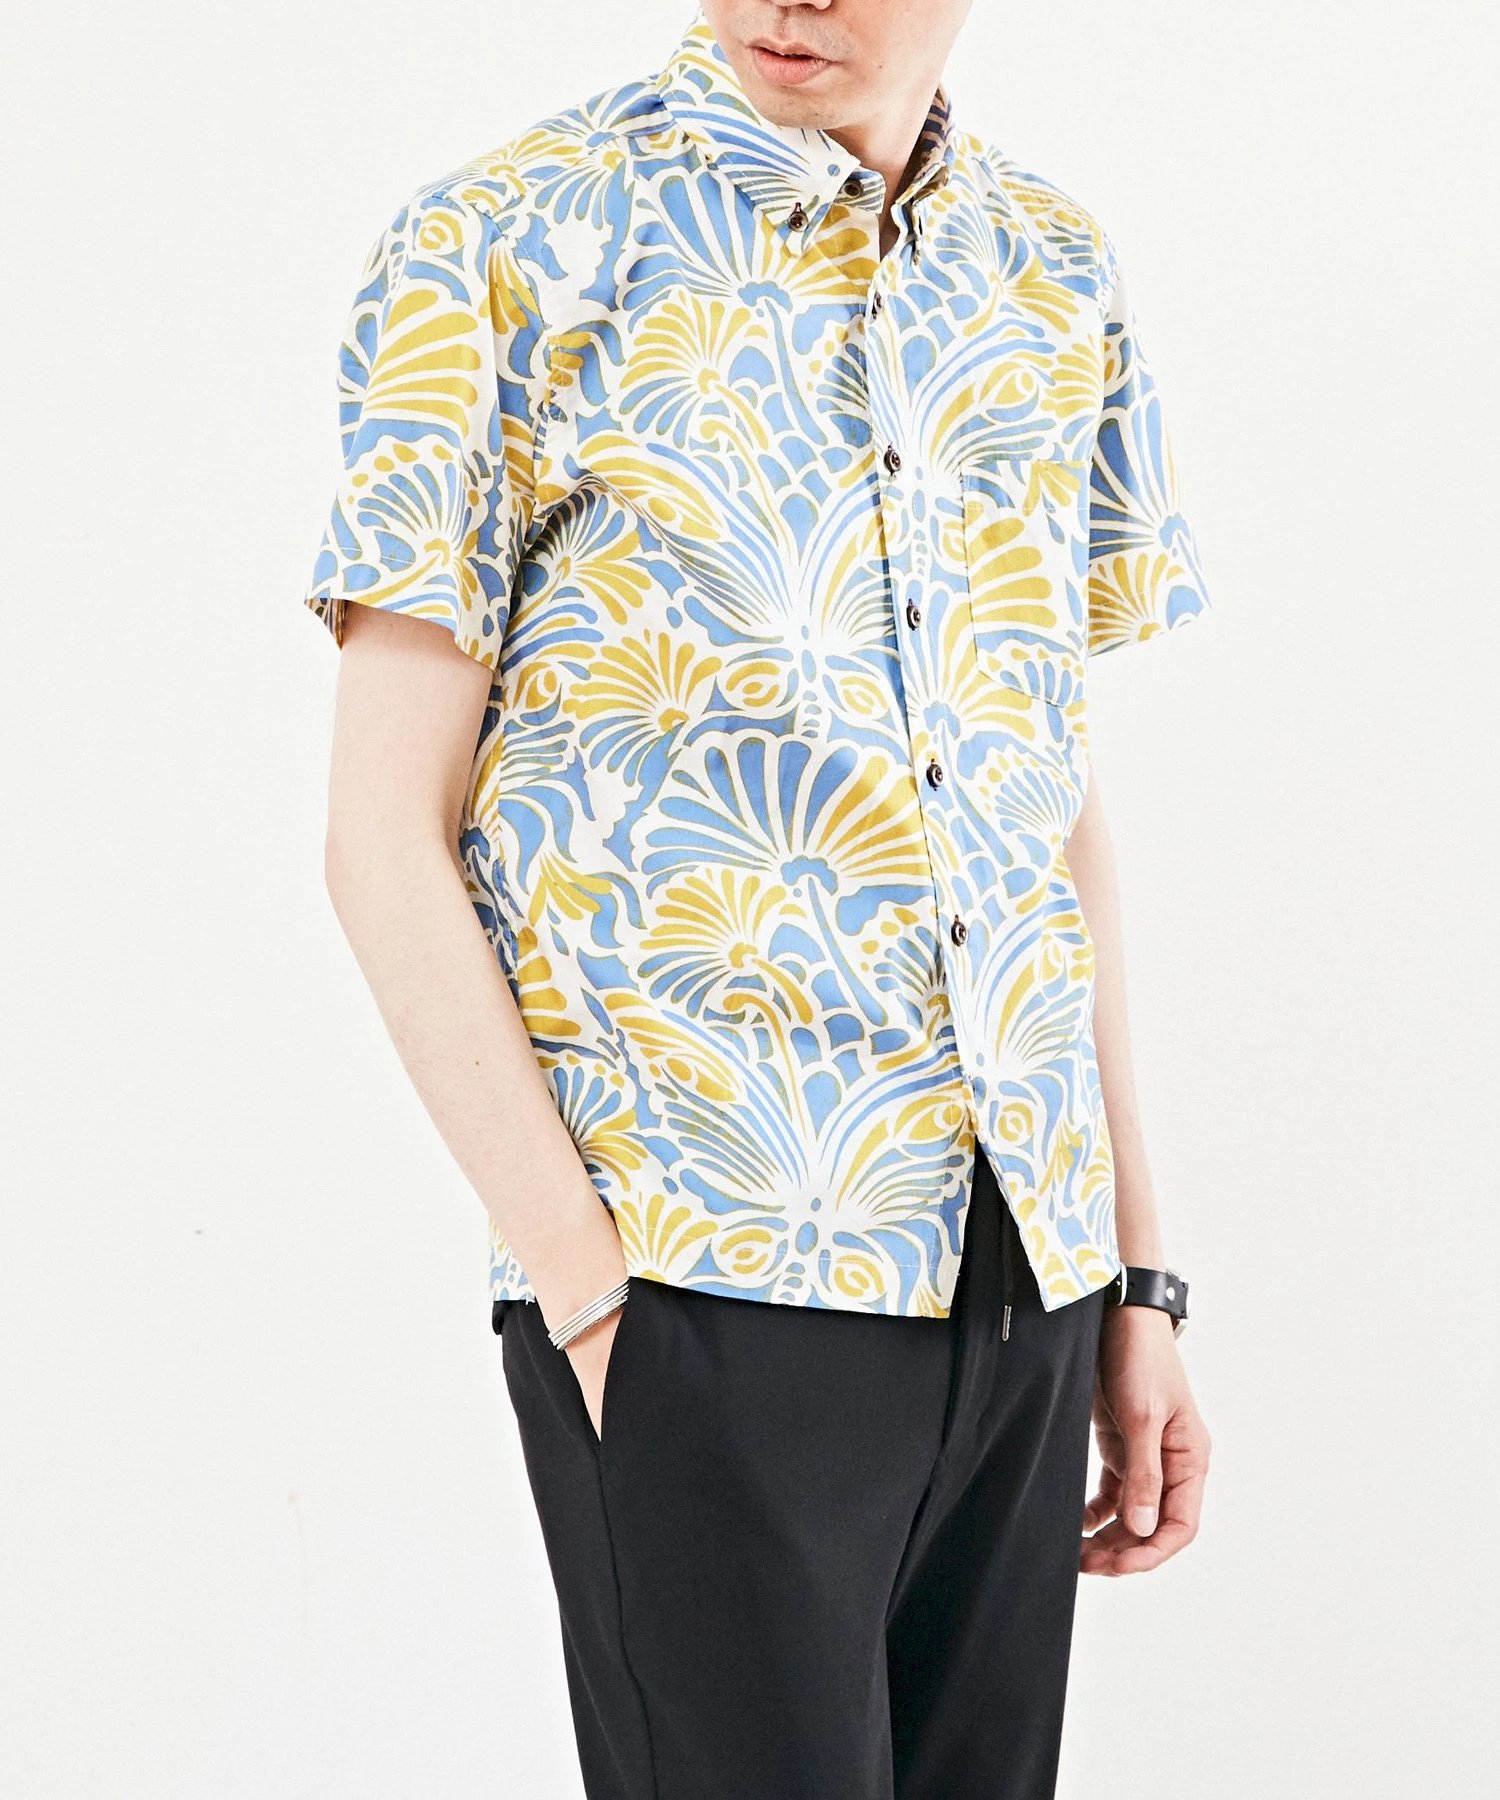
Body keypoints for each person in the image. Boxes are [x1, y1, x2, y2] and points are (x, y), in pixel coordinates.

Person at [301, 2, 1214, 1794]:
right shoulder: (508, 239)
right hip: (701, 1277)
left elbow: (1039, 794)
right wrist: (596, 1309)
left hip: (1027, 1280)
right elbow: (378, 835)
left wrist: (1137, 1278)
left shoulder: (1049, 271)